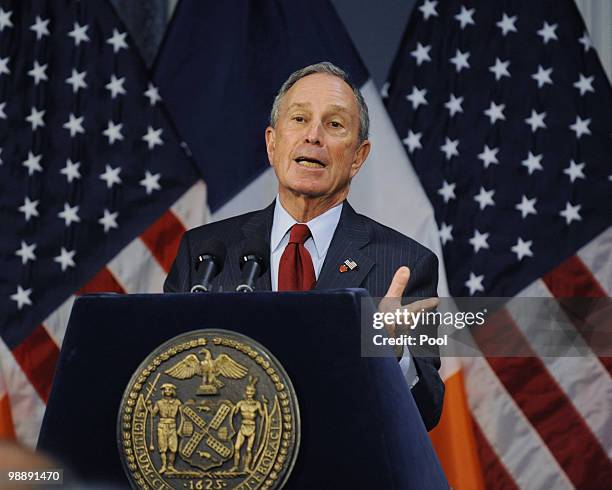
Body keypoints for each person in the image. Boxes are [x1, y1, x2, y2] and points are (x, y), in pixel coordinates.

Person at [164, 62, 444, 431]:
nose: (313, 136)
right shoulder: (204, 255)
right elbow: (163, 374)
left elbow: (428, 411)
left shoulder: (404, 264)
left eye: (334, 124)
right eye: (299, 119)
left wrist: (393, 354)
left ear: (358, 157)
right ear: (272, 143)